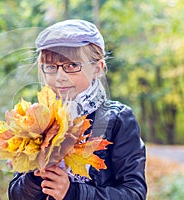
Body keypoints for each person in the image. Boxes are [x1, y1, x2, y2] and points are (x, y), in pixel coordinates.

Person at [8, 19, 147, 200]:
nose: (60, 77)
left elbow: (134, 194)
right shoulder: (37, 118)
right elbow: (15, 194)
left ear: (97, 68)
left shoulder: (117, 119)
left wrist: (74, 193)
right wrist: (33, 177)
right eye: (51, 67)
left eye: (72, 65)